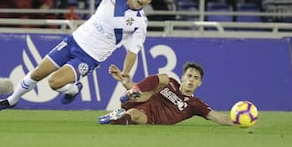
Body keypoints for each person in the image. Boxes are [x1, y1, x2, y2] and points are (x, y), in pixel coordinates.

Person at [0, 0, 160, 112]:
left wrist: (125, 72)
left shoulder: (140, 23)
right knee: (38, 73)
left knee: (53, 83)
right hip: (74, 40)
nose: (145, 0)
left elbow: (132, 52)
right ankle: (11, 101)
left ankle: (72, 90)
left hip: (89, 57)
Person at [98, 62, 235, 126]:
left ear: (200, 83)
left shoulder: (195, 105)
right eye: (189, 75)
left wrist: (240, 122)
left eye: (196, 78)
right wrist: (124, 81)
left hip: (152, 117)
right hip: (142, 98)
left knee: (134, 114)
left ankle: (117, 118)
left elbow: (218, 117)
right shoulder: (171, 83)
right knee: (163, 78)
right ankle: (131, 97)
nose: (191, 80)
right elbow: (146, 90)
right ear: (183, 77)